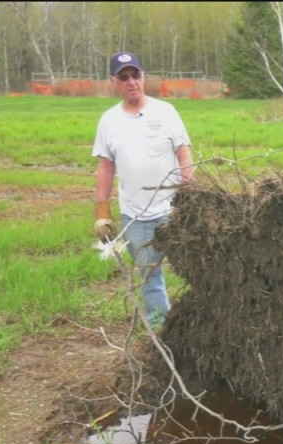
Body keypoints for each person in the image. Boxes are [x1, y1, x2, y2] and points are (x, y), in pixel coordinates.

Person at [92, 51, 193, 328]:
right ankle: (162, 329)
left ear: (143, 76)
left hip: (173, 211)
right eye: (124, 77)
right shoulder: (109, 121)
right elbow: (105, 167)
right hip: (135, 217)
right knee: (150, 277)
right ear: (114, 81)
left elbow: (183, 153)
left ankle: (203, 323)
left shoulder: (166, 112)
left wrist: (191, 196)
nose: (131, 81)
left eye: (135, 75)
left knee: (197, 268)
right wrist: (102, 212)